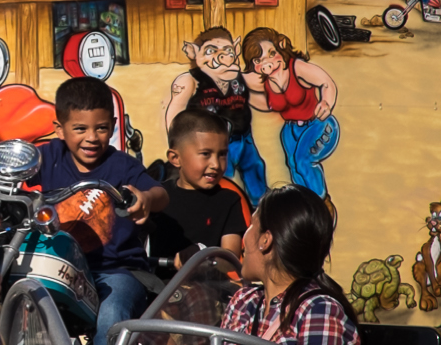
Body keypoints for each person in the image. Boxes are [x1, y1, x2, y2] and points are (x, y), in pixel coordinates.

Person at [128, 186, 359, 345]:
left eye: (249, 227)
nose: (243, 239)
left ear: (265, 240)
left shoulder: (318, 310)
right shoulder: (244, 300)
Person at [37, 76, 168, 345]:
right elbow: (1, 154)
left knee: (111, 315)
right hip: (61, 270)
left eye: (101, 128)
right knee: (29, 301)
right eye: (80, 129)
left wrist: (146, 197)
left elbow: (161, 194)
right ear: (60, 129)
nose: (92, 138)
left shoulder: (122, 165)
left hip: (118, 271)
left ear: (113, 125)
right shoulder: (49, 157)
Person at [160, 25, 268, 206]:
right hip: (210, 147)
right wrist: (180, 147)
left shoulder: (238, 77)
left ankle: (261, 211)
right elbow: (174, 115)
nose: (222, 56)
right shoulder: (190, 81)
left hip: (243, 138)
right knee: (220, 183)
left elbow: (259, 97)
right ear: (194, 53)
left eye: (227, 50)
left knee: (255, 170)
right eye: (211, 51)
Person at [240, 26, 340, 202]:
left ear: (281, 46)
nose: (267, 63)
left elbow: (325, 82)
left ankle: (321, 203)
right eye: (258, 60)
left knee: (303, 161)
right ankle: (305, 202)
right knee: (293, 165)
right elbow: (268, 105)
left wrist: (326, 102)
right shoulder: (267, 82)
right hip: (291, 130)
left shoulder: (297, 67)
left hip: (317, 123)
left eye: (271, 54)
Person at [143, 108, 251, 263]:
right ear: (175, 158)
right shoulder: (159, 196)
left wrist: (203, 256)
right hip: (161, 286)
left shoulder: (229, 201)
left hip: (211, 286)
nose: (215, 164)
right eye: (205, 154)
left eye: (222, 154)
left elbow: (230, 259)